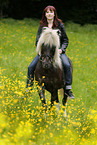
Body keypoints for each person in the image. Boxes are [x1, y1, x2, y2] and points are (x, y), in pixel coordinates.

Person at [26, 5, 74, 99]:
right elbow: (37, 40)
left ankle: (68, 88)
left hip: (57, 52)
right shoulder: (42, 25)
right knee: (31, 67)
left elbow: (65, 40)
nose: (49, 14)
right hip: (44, 53)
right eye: (47, 12)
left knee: (67, 65)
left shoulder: (60, 25)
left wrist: (62, 49)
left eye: (51, 12)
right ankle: (29, 87)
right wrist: (39, 50)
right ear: (45, 14)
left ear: (54, 13)